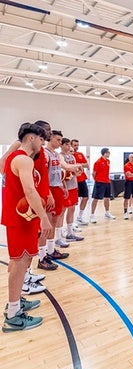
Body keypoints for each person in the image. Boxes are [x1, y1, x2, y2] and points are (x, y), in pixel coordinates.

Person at [2, 122, 54, 332]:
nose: (43, 144)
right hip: (20, 219)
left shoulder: (15, 158)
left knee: (23, 261)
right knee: (18, 263)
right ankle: (13, 314)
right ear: (32, 138)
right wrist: (44, 217)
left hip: (22, 218)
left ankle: (17, 301)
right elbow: (30, 192)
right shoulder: (23, 159)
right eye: (41, 140)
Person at [60, 139, 84, 242]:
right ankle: (59, 233)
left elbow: (74, 171)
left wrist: (76, 173)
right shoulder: (60, 156)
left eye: (69, 144)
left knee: (72, 208)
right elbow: (65, 169)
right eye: (66, 144)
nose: (68, 146)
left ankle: (70, 232)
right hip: (65, 186)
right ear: (61, 145)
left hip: (73, 185)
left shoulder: (72, 157)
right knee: (62, 210)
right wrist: (74, 168)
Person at [90, 148, 115, 223]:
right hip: (99, 182)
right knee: (96, 199)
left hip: (107, 182)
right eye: (108, 152)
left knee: (107, 198)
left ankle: (107, 213)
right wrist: (97, 180)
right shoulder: (98, 162)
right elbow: (93, 173)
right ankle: (92, 215)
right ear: (105, 153)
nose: (109, 154)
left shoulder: (108, 161)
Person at [71, 139, 90, 226]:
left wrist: (79, 164)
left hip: (82, 179)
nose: (76, 147)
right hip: (73, 180)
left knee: (86, 197)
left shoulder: (80, 154)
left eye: (77, 145)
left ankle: (79, 217)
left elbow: (87, 164)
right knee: (74, 202)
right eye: (74, 145)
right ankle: (72, 221)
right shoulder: (69, 155)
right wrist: (79, 165)